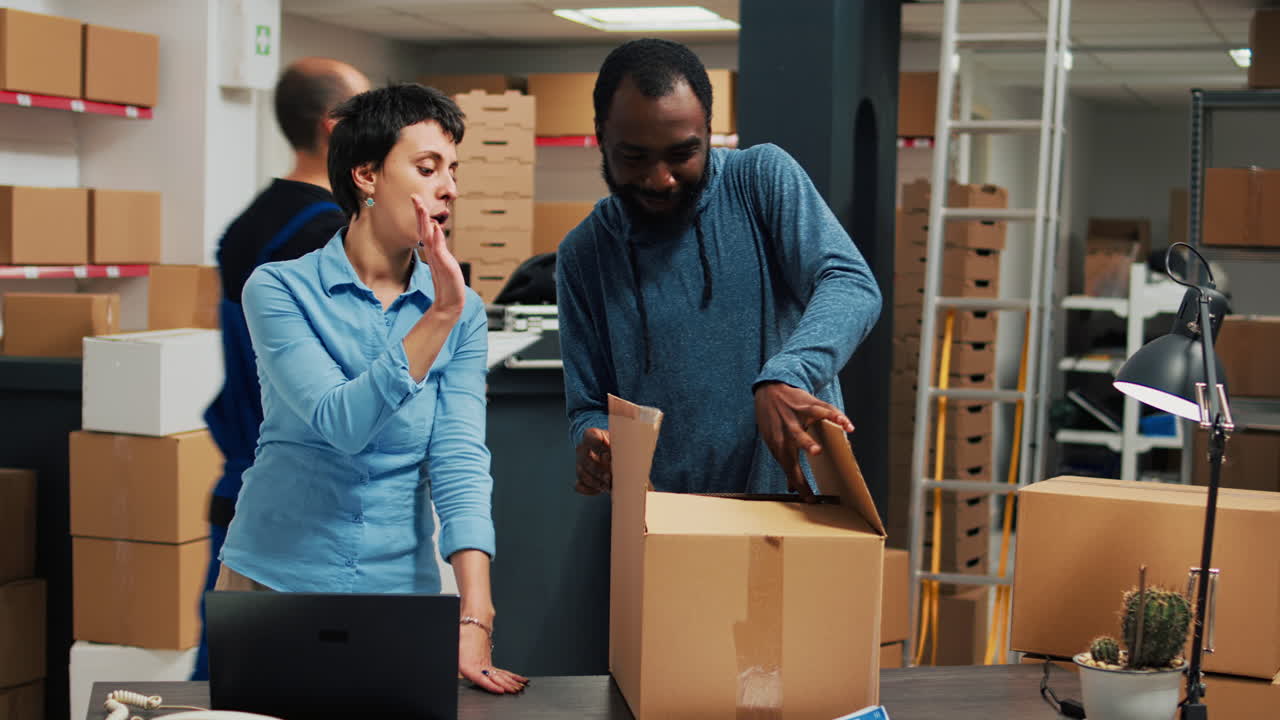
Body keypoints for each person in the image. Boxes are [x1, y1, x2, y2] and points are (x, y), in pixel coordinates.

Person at [215, 83, 527, 694]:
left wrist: (476, 610)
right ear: (366, 175)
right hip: (274, 583)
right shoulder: (279, 290)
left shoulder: (462, 313)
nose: (449, 189)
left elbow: (460, 459)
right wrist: (437, 315)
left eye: (453, 170)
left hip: (397, 592)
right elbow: (342, 423)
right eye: (427, 167)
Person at [557, 39, 882, 498]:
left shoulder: (760, 181)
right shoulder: (584, 254)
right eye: (635, 157)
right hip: (668, 522)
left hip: (794, 505)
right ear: (601, 135)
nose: (660, 178)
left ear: (708, 131)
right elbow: (589, 405)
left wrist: (790, 371)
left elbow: (850, 282)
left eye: (680, 154)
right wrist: (592, 439)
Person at [193, 57, 369, 681]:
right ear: (334, 126)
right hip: (306, 513)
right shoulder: (323, 235)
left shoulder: (250, 224)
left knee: (230, 685)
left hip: (249, 500)